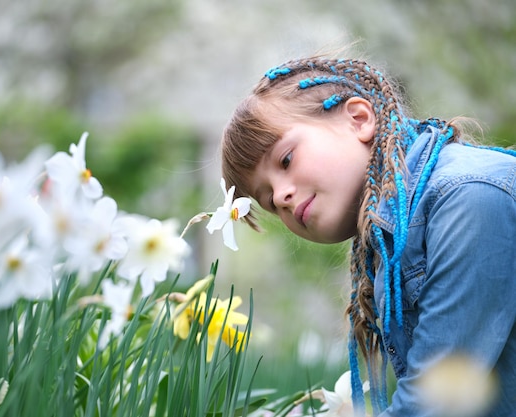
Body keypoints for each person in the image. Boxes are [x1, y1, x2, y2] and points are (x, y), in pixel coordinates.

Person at [220, 55, 516, 416]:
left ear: (358, 119)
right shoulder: (391, 241)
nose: (281, 196)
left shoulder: (468, 199)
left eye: (285, 161)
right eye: (268, 199)